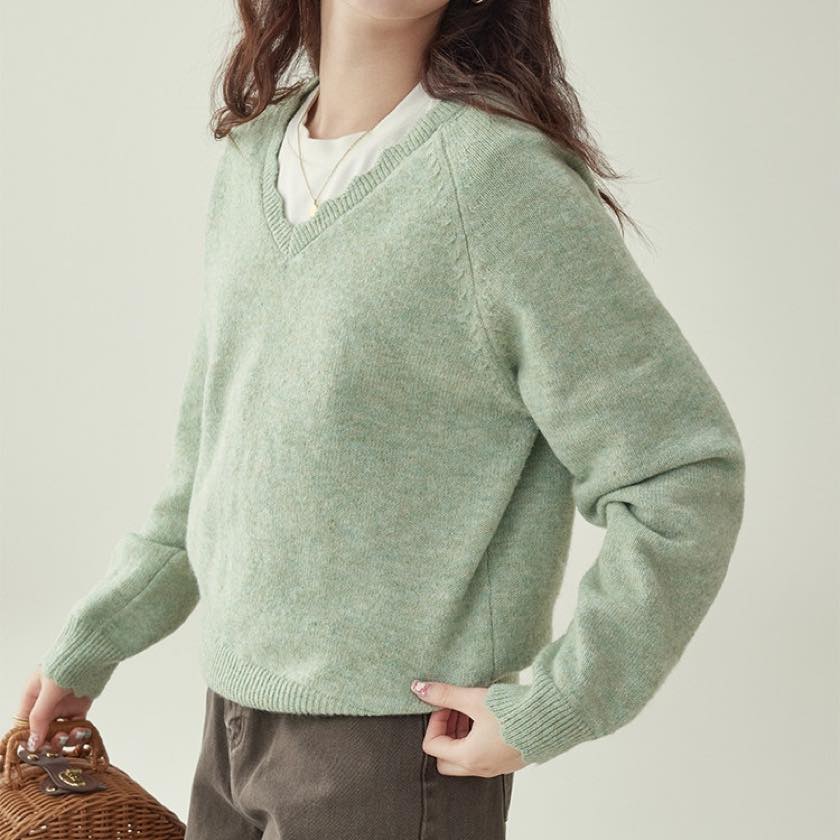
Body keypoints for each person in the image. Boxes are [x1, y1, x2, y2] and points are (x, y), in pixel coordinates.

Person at [16, 1, 746, 837]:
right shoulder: (253, 158)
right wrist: (93, 641)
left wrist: (560, 702)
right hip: (228, 724)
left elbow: (682, 474)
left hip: (394, 753)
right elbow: (211, 463)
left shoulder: (502, 184)